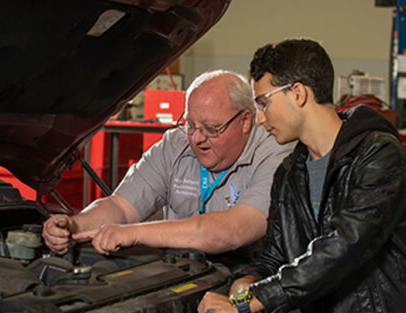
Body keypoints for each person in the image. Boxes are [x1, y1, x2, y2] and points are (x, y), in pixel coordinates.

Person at [198, 39, 406, 313]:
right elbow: (275, 257)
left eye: (264, 102)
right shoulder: (289, 173)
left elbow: (345, 244)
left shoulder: (376, 153)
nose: (261, 118)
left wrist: (249, 302)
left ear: (298, 93)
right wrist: (245, 282)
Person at [43, 70, 293, 264]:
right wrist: (74, 225)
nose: (196, 138)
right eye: (191, 125)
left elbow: (232, 230)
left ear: (245, 120)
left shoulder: (274, 151)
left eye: (211, 128)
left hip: (246, 280)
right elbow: (121, 205)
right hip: (179, 273)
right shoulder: (175, 144)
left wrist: (134, 233)